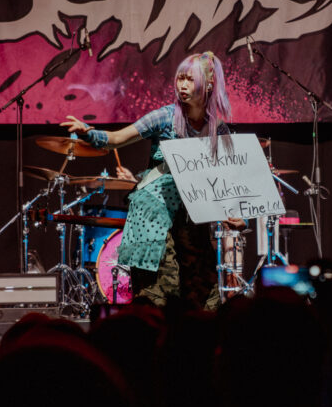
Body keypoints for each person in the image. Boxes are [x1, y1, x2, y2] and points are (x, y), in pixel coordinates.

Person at [61, 52, 241, 310]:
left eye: (190, 79)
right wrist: (89, 133)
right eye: (180, 79)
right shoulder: (166, 116)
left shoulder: (218, 130)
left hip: (191, 216)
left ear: (209, 84)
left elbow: (222, 181)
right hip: (154, 212)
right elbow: (118, 138)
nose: (182, 85)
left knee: (203, 293)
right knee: (159, 293)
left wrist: (232, 214)